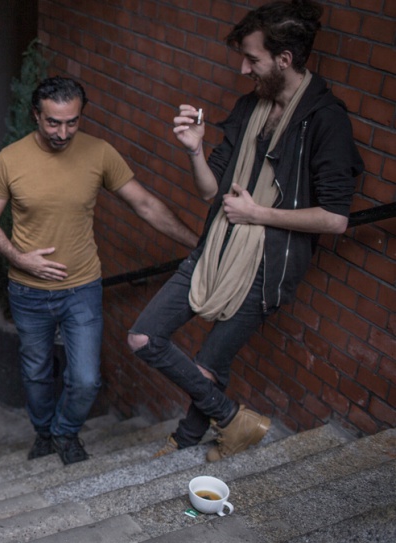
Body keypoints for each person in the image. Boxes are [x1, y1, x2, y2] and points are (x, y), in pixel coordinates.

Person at [127, 0, 362, 463]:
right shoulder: (248, 107)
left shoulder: (327, 120)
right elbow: (209, 191)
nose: (243, 68)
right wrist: (194, 150)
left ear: (284, 59)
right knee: (144, 337)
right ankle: (233, 419)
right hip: (215, 245)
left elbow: (336, 219)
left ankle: (187, 441)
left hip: (268, 264)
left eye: (252, 59)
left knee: (208, 364)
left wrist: (258, 214)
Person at [0, 77, 200, 465]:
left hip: (82, 287)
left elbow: (145, 205)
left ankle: (65, 433)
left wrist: (199, 244)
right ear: (36, 115)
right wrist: (20, 258)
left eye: (72, 122)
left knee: (84, 379)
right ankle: (44, 433)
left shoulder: (99, 153)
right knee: (35, 373)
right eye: (53, 123)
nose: (63, 133)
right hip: (28, 291)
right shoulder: (9, 160)